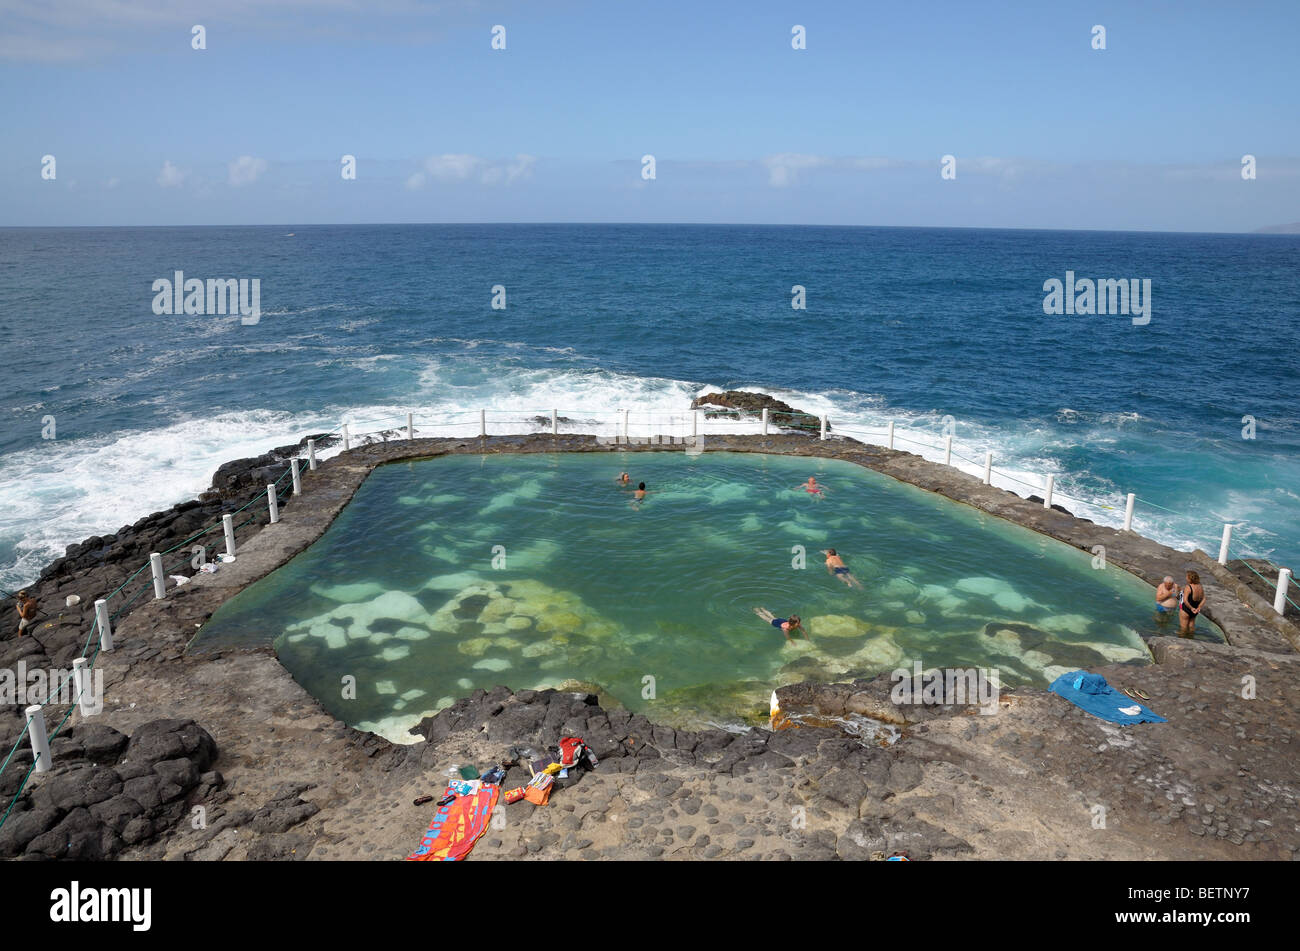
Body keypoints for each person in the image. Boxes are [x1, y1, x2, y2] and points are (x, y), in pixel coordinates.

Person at [1179, 570, 1205, 636]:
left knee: (1183, 628)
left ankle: (1182, 640)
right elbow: (1204, 598)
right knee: (1191, 627)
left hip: (1186, 609)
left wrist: (1191, 608)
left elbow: (1185, 600)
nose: (1186, 578)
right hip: (1195, 610)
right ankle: (1191, 638)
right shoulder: (1200, 586)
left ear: (1190, 578)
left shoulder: (1189, 587)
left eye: (1187, 577)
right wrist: (1199, 607)